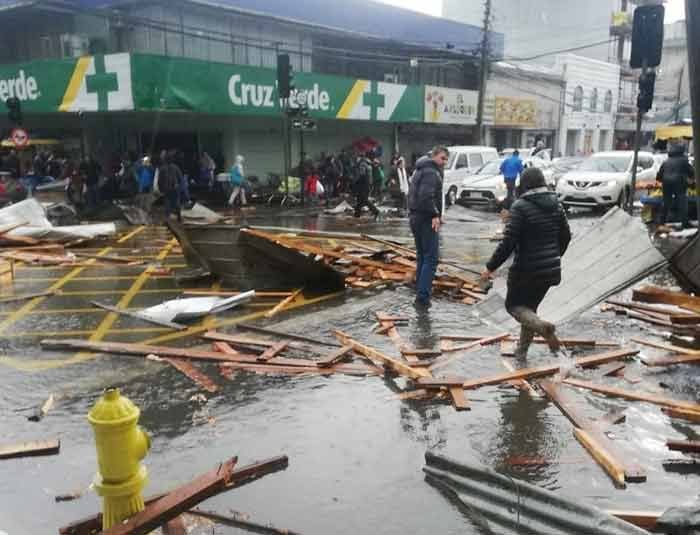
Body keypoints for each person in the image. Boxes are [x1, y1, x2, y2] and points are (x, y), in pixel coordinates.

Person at [481, 167, 571, 358]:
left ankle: (542, 327)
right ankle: (521, 351)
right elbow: (566, 236)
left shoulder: (520, 206)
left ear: (525, 185)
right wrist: (554, 257)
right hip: (551, 271)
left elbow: (508, 242)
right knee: (529, 309)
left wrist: (490, 267)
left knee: (514, 306)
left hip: (525, 270)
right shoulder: (557, 204)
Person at [407, 146, 449, 309]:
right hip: (426, 218)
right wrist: (435, 214)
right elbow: (426, 196)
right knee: (431, 258)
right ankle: (423, 298)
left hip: (416, 216)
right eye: (442, 158)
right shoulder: (431, 172)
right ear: (434, 156)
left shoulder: (420, 169)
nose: (444, 162)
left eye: (446, 159)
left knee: (422, 256)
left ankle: (420, 293)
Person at [657, 143, 694, 228]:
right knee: (682, 202)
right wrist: (691, 180)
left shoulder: (666, 161)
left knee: (666, 202)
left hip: (666, 183)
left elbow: (659, 175)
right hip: (679, 183)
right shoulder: (684, 160)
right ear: (681, 151)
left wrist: (662, 180)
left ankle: (661, 222)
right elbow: (691, 172)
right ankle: (685, 223)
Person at [353, 151, 379, 219]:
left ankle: (376, 211)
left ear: (361, 157)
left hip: (363, 184)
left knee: (364, 199)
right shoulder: (368, 163)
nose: (356, 158)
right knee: (359, 200)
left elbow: (361, 174)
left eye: (358, 157)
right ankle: (357, 214)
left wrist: (355, 182)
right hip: (368, 184)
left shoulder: (362, 164)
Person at [158, 154, 182, 222]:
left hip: (167, 189)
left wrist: (161, 189)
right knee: (176, 202)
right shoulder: (176, 167)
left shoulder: (162, 168)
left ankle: (168, 219)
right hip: (175, 188)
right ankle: (178, 217)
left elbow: (160, 180)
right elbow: (180, 178)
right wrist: (178, 185)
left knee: (167, 203)